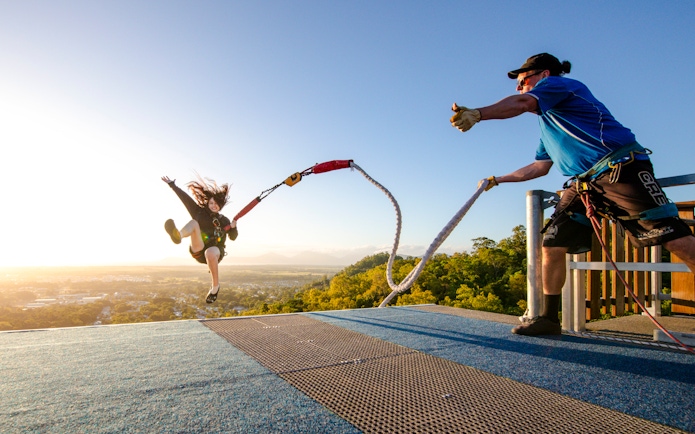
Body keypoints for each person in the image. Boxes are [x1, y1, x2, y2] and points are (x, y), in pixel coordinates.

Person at [450, 53, 695, 336]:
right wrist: (498, 179)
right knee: (552, 243)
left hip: (620, 170)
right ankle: (549, 319)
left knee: (675, 240)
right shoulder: (549, 125)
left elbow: (521, 103)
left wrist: (478, 114)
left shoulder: (560, 86)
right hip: (584, 185)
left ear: (543, 74)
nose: (519, 87)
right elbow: (540, 167)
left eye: (522, 80)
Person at [162, 174, 238, 303]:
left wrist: (233, 227)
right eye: (211, 203)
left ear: (221, 205)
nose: (214, 205)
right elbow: (185, 199)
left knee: (210, 252)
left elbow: (233, 237)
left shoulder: (224, 220)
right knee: (194, 223)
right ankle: (178, 236)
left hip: (215, 251)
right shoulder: (198, 212)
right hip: (199, 249)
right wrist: (172, 185)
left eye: (216, 204)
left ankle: (215, 287)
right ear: (208, 202)